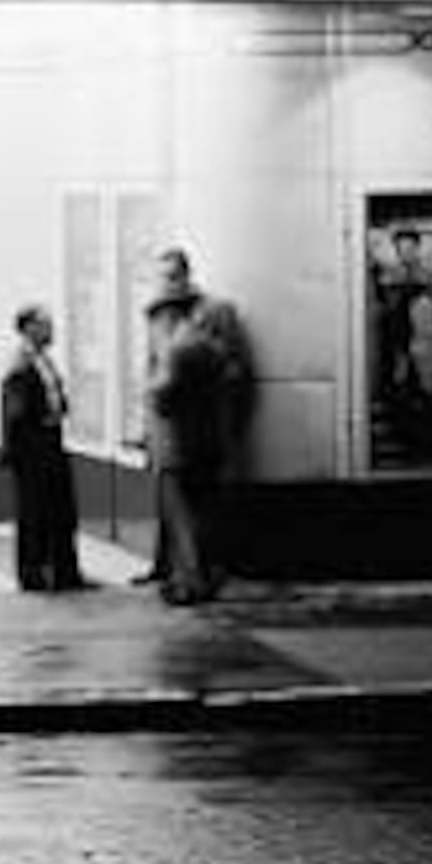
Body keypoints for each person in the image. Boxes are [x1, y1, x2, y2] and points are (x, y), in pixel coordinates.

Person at [136, 246, 251, 605]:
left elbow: (236, 370)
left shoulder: (215, 313)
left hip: (199, 427)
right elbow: (150, 370)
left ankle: (195, 579)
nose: (166, 284)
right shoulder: (156, 317)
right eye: (161, 277)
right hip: (171, 430)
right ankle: (187, 576)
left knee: (198, 509)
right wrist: (146, 428)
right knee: (183, 509)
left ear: (187, 274)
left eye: (172, 275)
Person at [0, 301, 85, 591]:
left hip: (51, 439)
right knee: (34, 512)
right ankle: (33, 572)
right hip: (33, 447)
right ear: (29, 328)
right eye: (45, 324)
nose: (52, 329)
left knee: (62, 509)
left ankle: (65, 571)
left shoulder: (44, 360)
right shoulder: (20, 364)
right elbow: (16, 411)